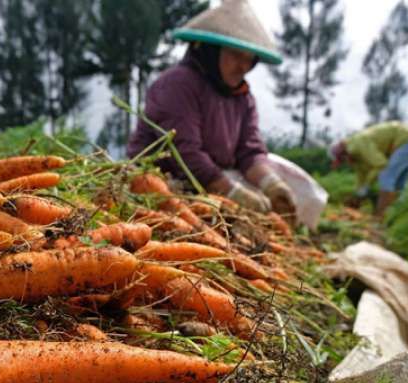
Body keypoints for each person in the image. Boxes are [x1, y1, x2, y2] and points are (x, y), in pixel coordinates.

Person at [127, 0, 296, 219]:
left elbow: (250, 151)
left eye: (249, 59)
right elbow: (184, 152)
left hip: (216, 177)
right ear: (211, 50)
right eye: (236, 54)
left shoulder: (243, 97)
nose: (243, 66)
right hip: (165, 180)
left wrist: (272, 184)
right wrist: (232, 192)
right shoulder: (178, 84)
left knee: (293, 180)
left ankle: (290, 227)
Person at [328, 121, 408, 217]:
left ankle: (380, 216)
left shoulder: (358, 144)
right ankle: (398, 216)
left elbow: (381, 164)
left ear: (342, 152)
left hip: (407, 138)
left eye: (342, 159)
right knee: (399, 184)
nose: (345, 162)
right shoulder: (354, 155)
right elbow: (361, 174)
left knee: (386, 176)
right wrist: (358, 193)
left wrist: (367, 185)